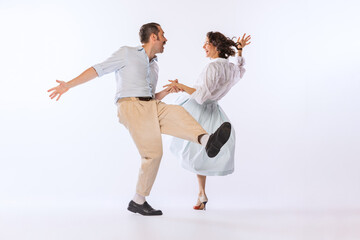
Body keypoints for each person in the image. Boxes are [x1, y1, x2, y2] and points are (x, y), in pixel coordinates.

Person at [47, 23, 232, 216]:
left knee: (177, 112)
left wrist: (166, 91)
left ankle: (207, 141)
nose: (165, 39)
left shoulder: (155, 66)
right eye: (163, 35)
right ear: (153, 37)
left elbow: (151, 95)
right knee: (153, 153)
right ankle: (138, 201)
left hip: (150, 105)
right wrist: (67, 85)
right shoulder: (127, 53)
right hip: (131, 106)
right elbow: (98, 69)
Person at [164, 32, 251, 210]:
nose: (204, 46)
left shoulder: (213, 67)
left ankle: (200, 194)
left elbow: (201, 95)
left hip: (198, 109)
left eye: (206, 43)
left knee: (187, 144)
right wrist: (240, 50)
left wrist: (180, 86)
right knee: (200, 152)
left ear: (216, 46)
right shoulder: (230, 68)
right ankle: (201, 194)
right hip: (213, 111)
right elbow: (240, 70)